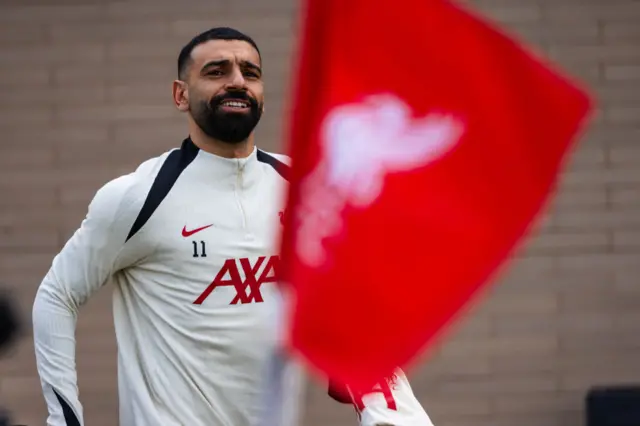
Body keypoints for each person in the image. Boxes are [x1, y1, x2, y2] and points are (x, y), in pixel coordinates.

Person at [32, 26, 431, 426]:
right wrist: (63, 418)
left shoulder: (304, 189)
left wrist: (390, 412)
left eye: (250, 73)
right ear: (180, 94)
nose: (237, 81)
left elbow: (352, 309)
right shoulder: (137, 196)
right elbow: (57, 295)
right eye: (217, 71)